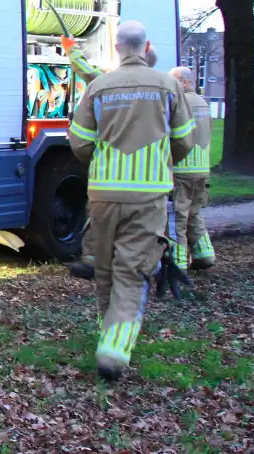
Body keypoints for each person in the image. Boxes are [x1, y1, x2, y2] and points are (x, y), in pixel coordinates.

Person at [68, 20, 195, 381]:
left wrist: (105, 158)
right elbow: (184, 140)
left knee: (105, 269)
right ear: (146, 45)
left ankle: (107, 331)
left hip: (104, 195)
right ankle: (113, 351)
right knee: (132, 272)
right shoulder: (169, 86)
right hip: (147, 195)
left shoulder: (99, 86)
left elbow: (79, 142)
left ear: (116, 46)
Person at [61, 32, 160, 280]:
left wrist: (71, 49)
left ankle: (94, 261)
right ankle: (145, 267)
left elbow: (87, 72)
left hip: (111, 175)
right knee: (144, 227)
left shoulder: (113, 84)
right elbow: (182, 140)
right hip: (150, 178)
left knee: (98, 219)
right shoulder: (163, 88)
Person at [167, 66, 215, 270]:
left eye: (174, 81)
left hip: (182, 168)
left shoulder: (181, 103)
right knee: (194, 212)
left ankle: (177, 261)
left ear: (185, 83)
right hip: (201, 168)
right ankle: (205, 254)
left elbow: (174, 135)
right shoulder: (202, 103)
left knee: (177, 215)